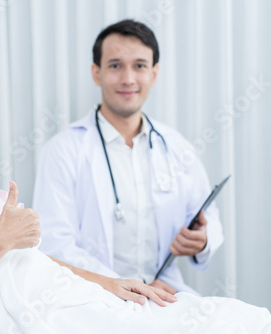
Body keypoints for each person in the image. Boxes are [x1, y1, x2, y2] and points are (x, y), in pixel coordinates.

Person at [0, 48, 270, 334]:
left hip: (64, 288)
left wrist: (105, 282)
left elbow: (31, 257)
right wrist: (1, 239)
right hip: (19, 310)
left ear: (154, 73)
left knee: (221, 317)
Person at [32, 19, 223, 294]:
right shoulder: (63, 150)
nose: (128, 79)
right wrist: (116, 285)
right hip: (91, 295)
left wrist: (202, 241)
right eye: (115, 65)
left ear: (154, 74)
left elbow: (209, 216)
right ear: (96, 73)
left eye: (140, 66)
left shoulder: (177, 148)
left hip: (164, 293)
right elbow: (54, 244)